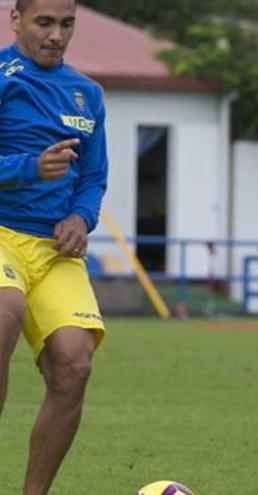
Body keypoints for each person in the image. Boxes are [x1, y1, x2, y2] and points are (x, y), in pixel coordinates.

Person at [0, 1, 110, 494]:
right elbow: (32, 166)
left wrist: (80, 217)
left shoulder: (87, 93)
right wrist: (27, 168)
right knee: (4, 313)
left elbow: (92, 176)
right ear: (16, 20)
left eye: (66, 24)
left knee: (73, 364)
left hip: (54, 251)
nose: (56, 35)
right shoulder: (4, 78)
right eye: (44, 22)